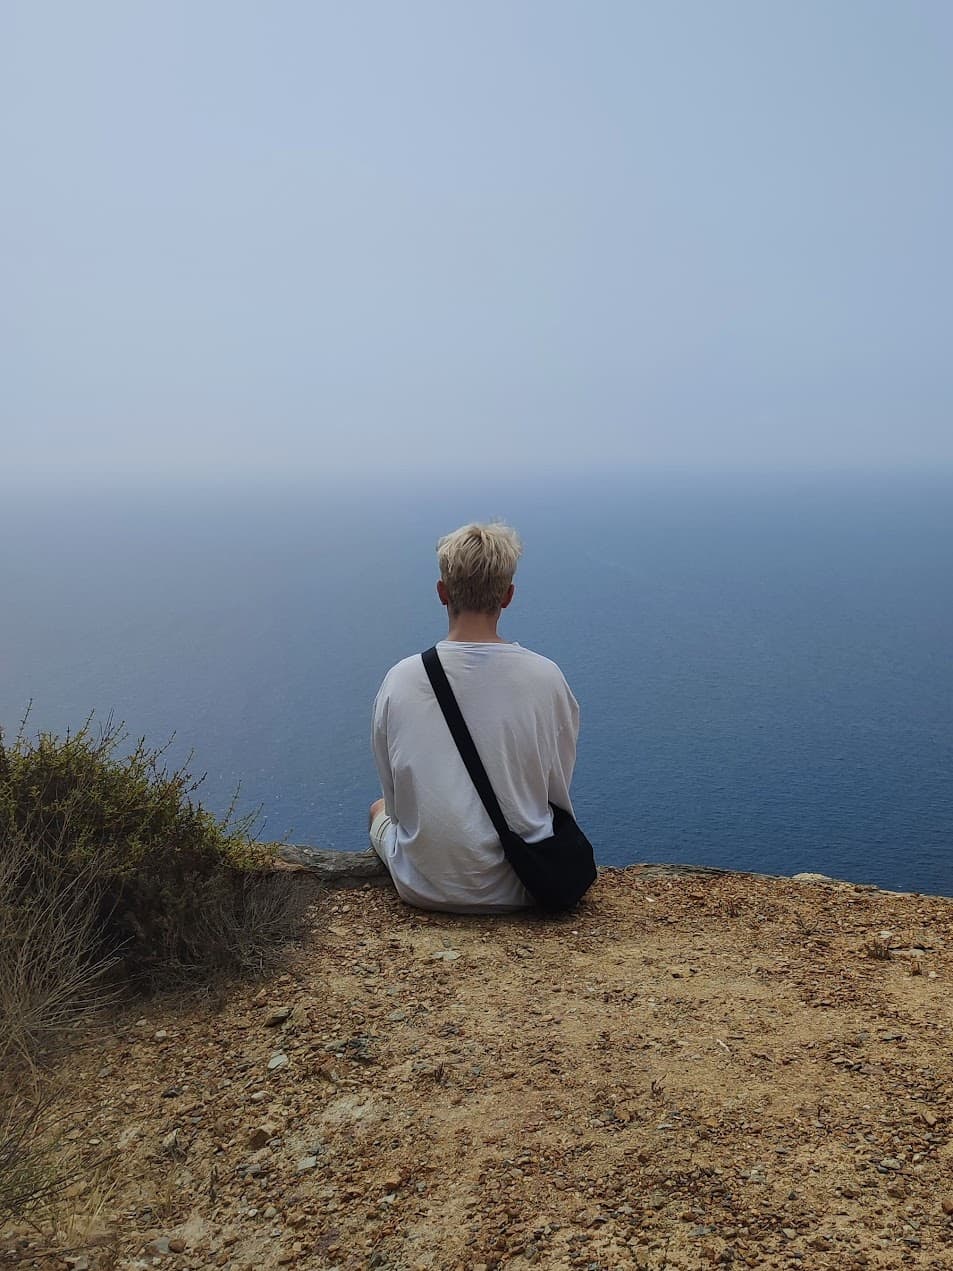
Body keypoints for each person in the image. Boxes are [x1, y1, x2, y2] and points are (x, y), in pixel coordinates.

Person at [369, 521, 580, 913]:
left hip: (424, 885)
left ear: (442, 592)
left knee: (377, 809)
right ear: (508, 596)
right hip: (525, 882)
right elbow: (555, 789)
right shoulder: (546, 678)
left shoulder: (400, 680)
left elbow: (396, 806)